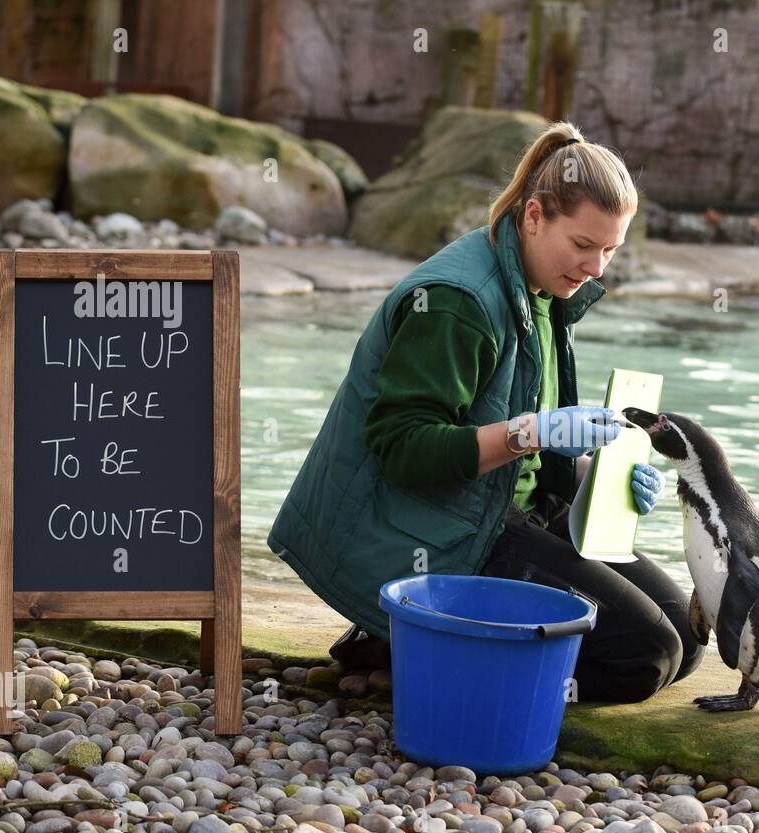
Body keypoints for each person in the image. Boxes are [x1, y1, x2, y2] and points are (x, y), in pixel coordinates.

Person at [268, 120, 704, 702]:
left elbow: (523, 442)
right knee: (644, 657)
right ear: (533, 216)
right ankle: (420, 646)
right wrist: (533, 432)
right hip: (432, 529)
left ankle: (413, 647)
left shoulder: (544, 287)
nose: (597, 268)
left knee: (687, 641)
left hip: (498, 506)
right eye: (583, 245)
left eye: (610, 250)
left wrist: (602, 480)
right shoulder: (456, 303)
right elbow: (403, 451)